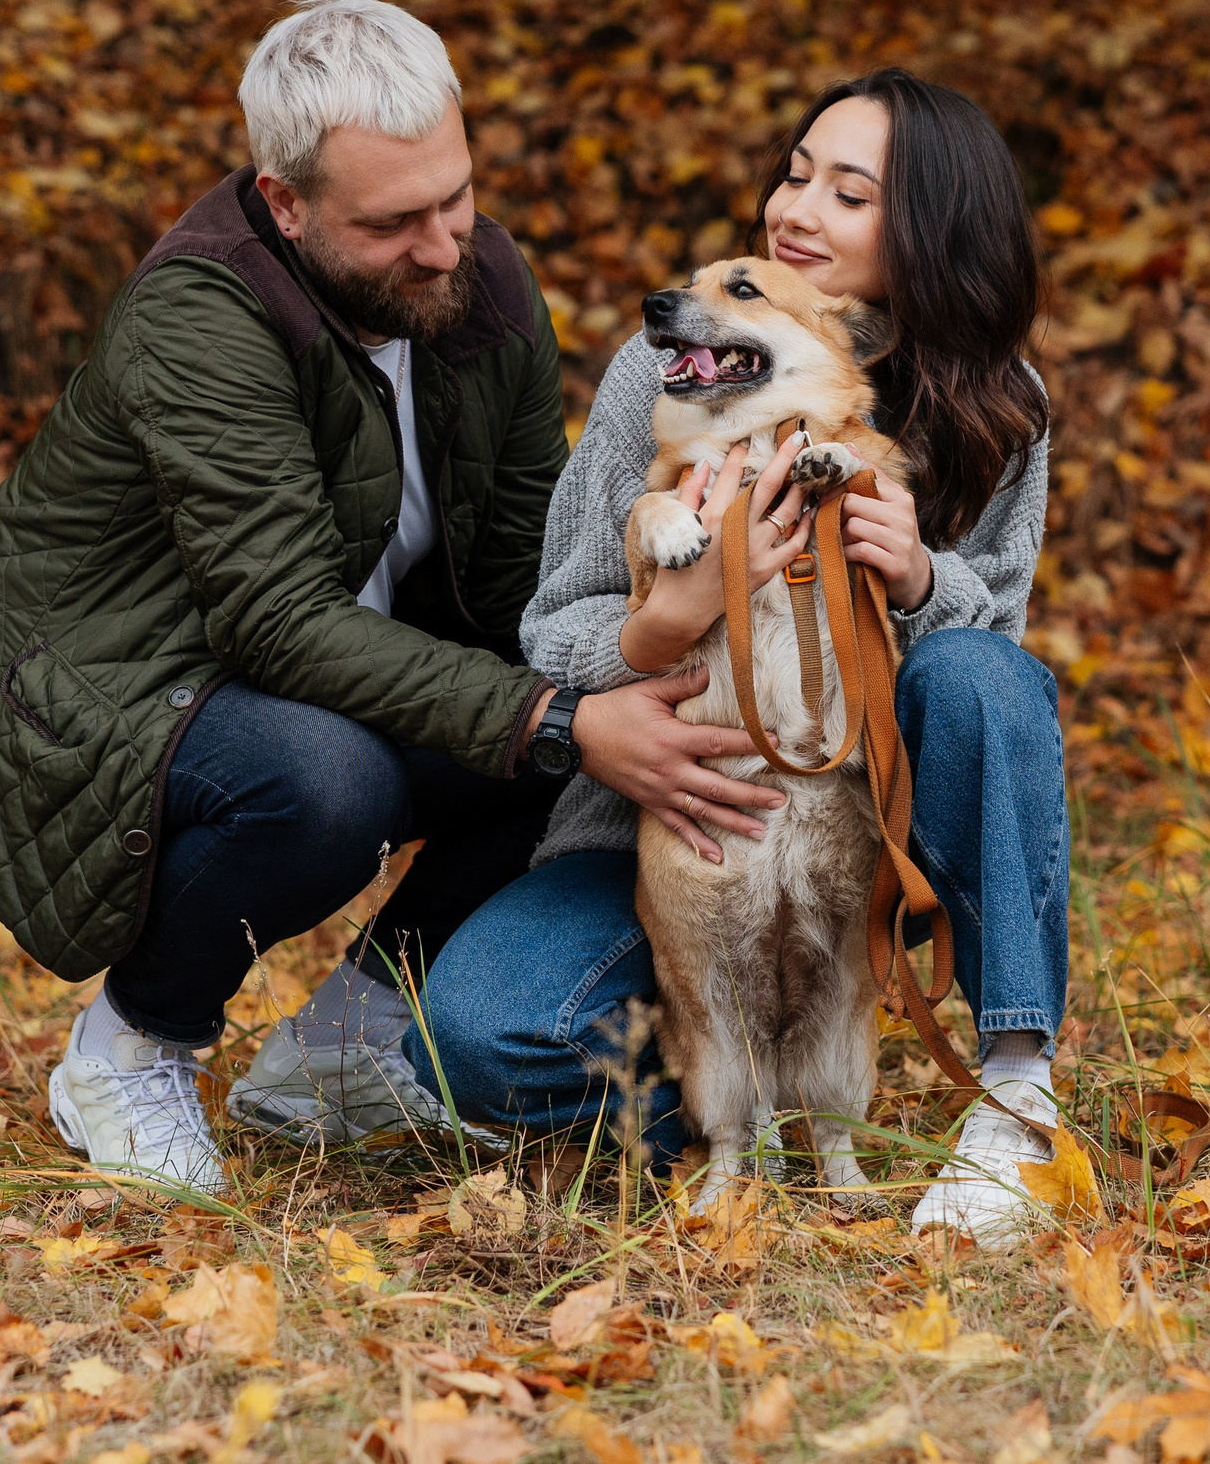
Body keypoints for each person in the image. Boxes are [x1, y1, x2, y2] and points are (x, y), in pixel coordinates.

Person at [0, 0, 788, 1192]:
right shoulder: (200, 319)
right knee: (333, 784)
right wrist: (562, 720)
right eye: (390, 222)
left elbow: (530, 553)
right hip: (96, 686)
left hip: (307, 663)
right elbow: (275, 620)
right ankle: (131, 1048)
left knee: (582, 723)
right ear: (284, 203)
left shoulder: (484, 280)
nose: (441, 245)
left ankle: (342, 1055)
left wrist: (617, 666)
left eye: (455, 196)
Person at [409, 67, 1071, 1244]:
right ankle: (742, 1110)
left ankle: (1015, 1096)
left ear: (930, 231)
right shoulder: (666, 374)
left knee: (980, 676)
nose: (794, 208)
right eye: (794, 173)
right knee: (478, 1042)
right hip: (667, 823)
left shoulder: (997, 403)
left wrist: (918, 577)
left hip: (865, 831)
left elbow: (994, 686)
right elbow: (549, 627)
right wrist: (659, 629)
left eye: (847, 194)